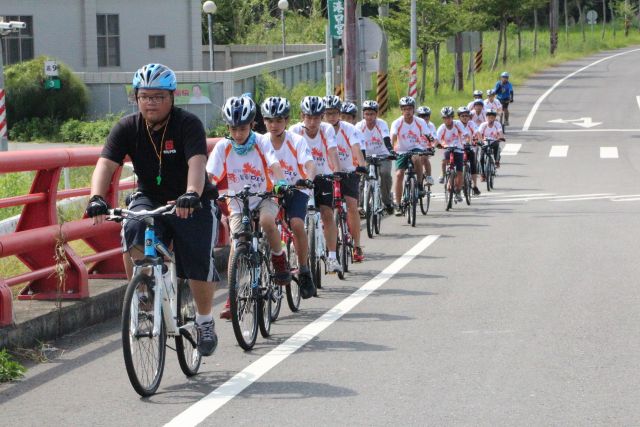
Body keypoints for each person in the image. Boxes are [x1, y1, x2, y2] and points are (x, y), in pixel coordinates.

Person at [85, 63, 220, 356]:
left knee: (197, 261)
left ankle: (205, 320)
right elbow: (105, 164)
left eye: (158, 96)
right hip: (150, 197)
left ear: (172, 97)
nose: (151, 102)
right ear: (136, 97)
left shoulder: (188, 124)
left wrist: (191, 194)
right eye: (145, 96)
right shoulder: (127, 127)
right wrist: (96, 197)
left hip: (191, 200)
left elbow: (197, 164)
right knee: (132, 229)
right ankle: (143, 297)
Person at [206, 95, 291, 288]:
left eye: (243, 128)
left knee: (267, 221)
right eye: (233, 128)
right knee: (237, 243)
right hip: (237, 201)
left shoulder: (261, 142)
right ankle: (233, 294)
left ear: (252, 124)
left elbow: (274, 164)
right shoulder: (223, 147)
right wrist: (203, 190)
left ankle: (279, 260)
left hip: (265, 196)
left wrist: (282, 182)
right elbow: (210, 174)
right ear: (227, 127)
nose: (238, 134)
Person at [260, 96, 316, 299]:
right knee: (263, 226)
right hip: (271, 191)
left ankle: (304, 271)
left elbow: (310, 164)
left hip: (296, 188)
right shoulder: (260, 141)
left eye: (279, 120)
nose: (273, 125)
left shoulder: (296, 140)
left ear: (287, 120)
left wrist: (308, 179)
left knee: (297, 224)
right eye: (269, 120)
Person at [290, 96, 342, 274]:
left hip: (323, 175)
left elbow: (332, 151)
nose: (312, 122)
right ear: (302, 116)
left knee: (327, 213)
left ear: (322, 117)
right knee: (297, 219)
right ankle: (298, 257)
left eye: (316, 118)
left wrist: (337, 171)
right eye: (308, 117)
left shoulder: (327, 129)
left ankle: (333, 257)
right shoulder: (295, 130)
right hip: (301, 178)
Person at [323, 95, 367, 263]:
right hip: (328, 173)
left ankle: (357, 246)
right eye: (327, 114)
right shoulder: (321, 130)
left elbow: (356, 148)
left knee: (351, 205)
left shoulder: (350, 129)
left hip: (348, 171)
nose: (331, 117)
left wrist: (361, 165)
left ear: (339, 113)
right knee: (325, 208)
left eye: (334, 113)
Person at [390, 96, 432, 216]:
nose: (407, 111)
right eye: (404, 109)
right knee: (399, 175)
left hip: (416, 147)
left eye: (410, 108)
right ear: (401, 110)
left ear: (414, 110)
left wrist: (431, 145)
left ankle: (419, 184)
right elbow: (393, 136)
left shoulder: (420, 122)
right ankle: (398, 204)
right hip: (401, 150)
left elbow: (428, 135)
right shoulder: (397, 123)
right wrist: (392, 149)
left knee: (417, 158)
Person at [355, 100, 395, 214]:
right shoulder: (359, 126)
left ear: (376, 114)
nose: (369, 117)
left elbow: (386, 138)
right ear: (363, 114)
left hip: (383, 155)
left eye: (372, 114)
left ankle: (387, 201)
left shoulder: (381, 124)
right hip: (366, 155)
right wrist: (361, 162)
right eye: (367, 114)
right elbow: (359, 144)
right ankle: (361, 205)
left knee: (385, 173)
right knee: (361, 177)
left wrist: (391, 151)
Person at [435, 106, 470, 203]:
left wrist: (467, 142)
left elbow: (466, 135)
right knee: (444, 160)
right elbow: (436, 139)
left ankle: (458, 191)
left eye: (450, 117)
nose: (448, 120)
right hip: (447, 148)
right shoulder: (442, 128)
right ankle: (442, 174)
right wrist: (437, 145)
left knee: (459, 172)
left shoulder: (457, 124)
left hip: (458, 148)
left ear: (453, 117)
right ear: (443, 119)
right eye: (445, 118)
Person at [456, 106, 481, 196]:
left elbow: (477, 131)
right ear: (459, 117)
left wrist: (480, 141)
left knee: (473, 164)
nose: (465, 117)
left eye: (467, 115)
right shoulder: (456, 124)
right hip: (458, 147)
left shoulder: (471, 123)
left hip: (469, 146)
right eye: (462, 116)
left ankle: (474, 186)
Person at [478, 108, 505, 176]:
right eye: (489, 117)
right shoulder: (483, 125)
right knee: (481, 158)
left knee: (497, 146)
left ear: (495, 118)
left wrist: (501, 137)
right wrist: (480, 140)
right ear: (486, 117)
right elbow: (479, 133)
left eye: (492, 117)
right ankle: (483, 174)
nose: (490, 118)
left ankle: (496, 161)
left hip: (493, 141)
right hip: (485, 142)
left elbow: (500, 132)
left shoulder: (497, 124)